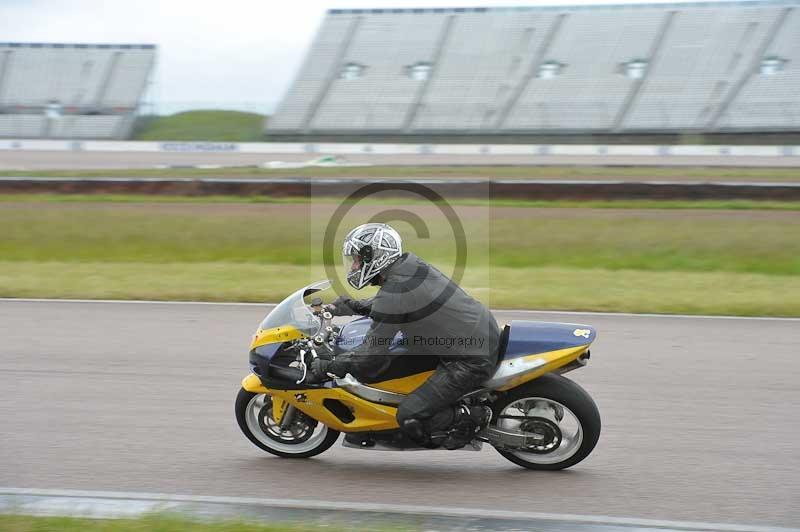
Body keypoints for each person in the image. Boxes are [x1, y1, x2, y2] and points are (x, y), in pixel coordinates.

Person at [307, 223, 500, 449]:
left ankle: (472, 418)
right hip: (468, 336)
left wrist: (329, 366)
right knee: (389, 369)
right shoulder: (409, 267)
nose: (354, 266)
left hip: (469, 358)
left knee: (409, 415)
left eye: (357, 259)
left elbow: (370, 357)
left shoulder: (396, 289)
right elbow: (393, 305)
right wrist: (349, 306)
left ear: (376, 256)